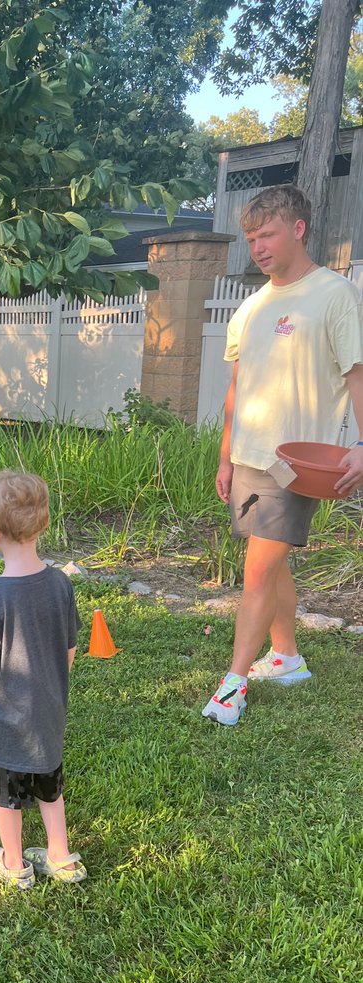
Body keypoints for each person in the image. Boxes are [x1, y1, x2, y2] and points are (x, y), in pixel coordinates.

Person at [202, 184, 363, 727]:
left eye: (267, 234)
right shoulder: (251, 307)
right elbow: (236, 387)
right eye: (251, 238)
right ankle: (288, 657)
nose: (258, 247)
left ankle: (233, 684)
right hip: (248, 456)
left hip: (294, 463)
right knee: (270, 562)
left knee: (255, 573)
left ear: (298, 229)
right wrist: (225, 458)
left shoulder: (333, 294)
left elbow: (357, 376)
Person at [0, 470, 84, 890]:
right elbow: (69, 649)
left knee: (5, 794)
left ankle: (13, 863)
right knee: (51, 786)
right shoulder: (60, 583)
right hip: (49, 714)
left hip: (8, 723)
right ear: (43, 524)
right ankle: (61, 858)